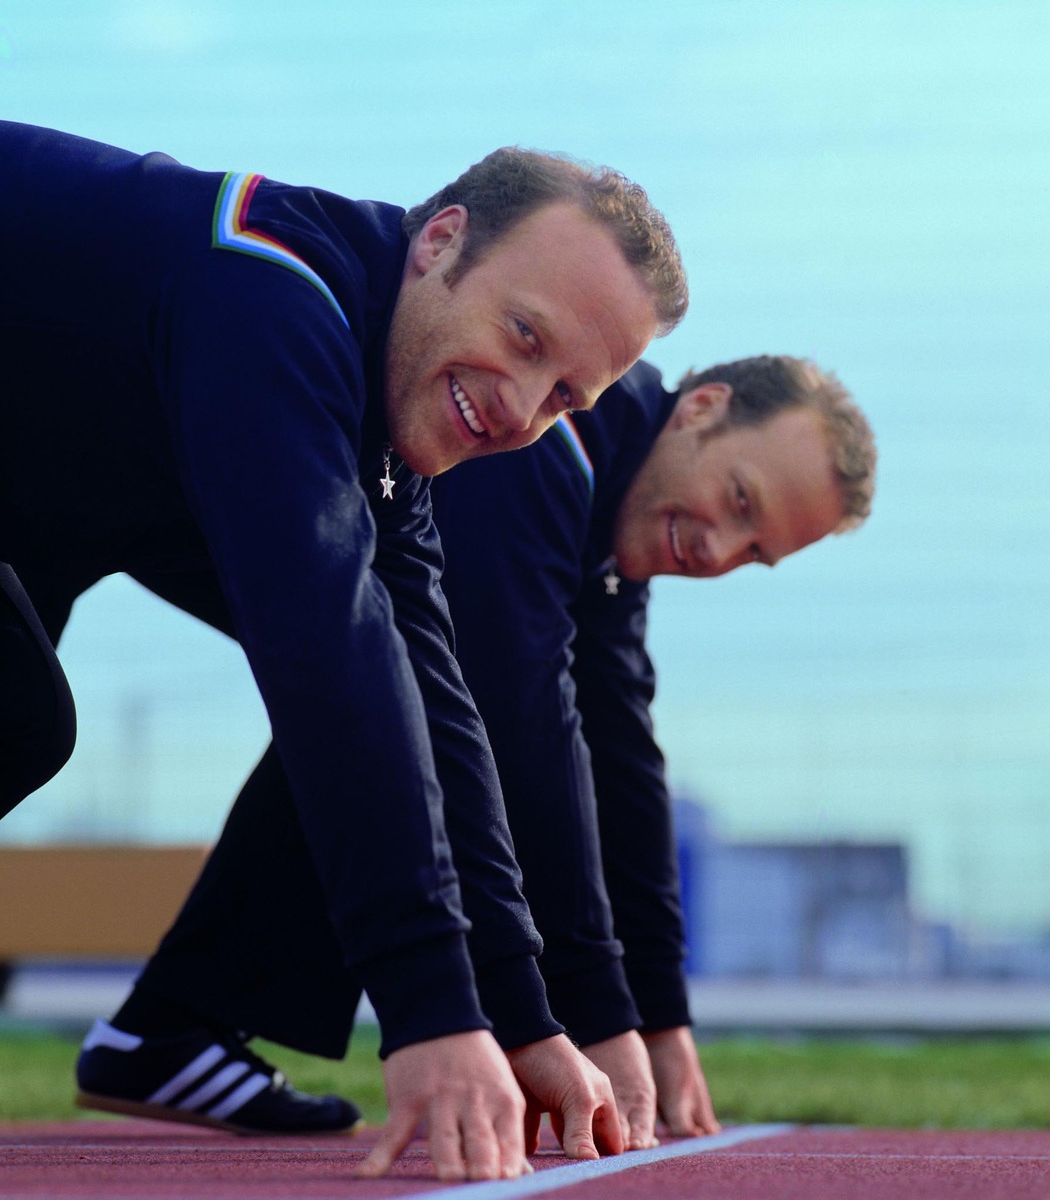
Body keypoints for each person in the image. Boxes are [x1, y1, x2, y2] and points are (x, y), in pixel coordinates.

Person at [0, 117, 687, 1181]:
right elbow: (322, 650)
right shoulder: (270, 293)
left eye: (567, 396)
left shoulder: (386, 443)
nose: (522, 410)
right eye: (525, 338)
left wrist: (522, 1018)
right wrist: (430, 1011)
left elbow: (436, 699)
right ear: (439, 243)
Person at [93, 354, 874, 1152]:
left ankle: (171, 1032)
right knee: (396, 715)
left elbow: (618, 751)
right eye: (740, 502)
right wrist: (589, 1010)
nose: (721, 550)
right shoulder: (555, 440)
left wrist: (659, 1013)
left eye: (754, 552)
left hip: (152, 494)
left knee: (384, 704)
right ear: (703, 408)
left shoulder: (620, 504)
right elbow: (518, 721)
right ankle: (176, 1021)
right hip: (85, 440)